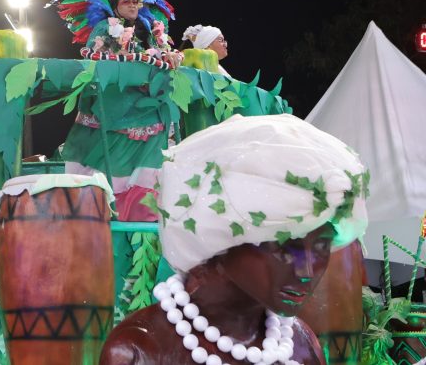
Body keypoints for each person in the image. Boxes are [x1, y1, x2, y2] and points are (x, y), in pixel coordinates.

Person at [100, 114, 369, 365]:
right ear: (221, 238)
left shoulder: (299, 343)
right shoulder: (139, 351)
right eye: (287, 246)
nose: (307, 270)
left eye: (322, 246)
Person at [49, 0, 181, 221]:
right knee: (109, 164)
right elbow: (96, 61)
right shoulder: (105, 28)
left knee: (150, 163)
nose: (133, 5)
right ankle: (106, 211)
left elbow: (161, 57)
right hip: (115, 107)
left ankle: (144, 215)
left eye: (135, 1)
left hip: (148, 108)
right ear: (115, 5)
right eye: (126, 1)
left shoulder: (152, 33)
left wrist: (168, 56)